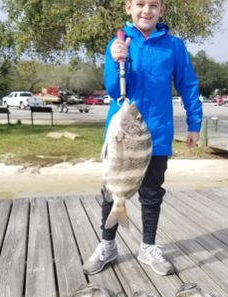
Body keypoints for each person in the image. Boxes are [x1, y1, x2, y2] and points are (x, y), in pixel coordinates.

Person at [82, 0, 202, 276]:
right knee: (112, 192)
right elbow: (113, 89)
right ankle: (107, 244)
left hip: (157, 134)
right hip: (123, 135)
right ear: (128, 8)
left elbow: (189, 84)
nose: (146, 10)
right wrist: (115, 59)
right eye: (140, 4)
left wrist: (194, 123)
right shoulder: (119, 42)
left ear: (161, 11)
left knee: (152, 194)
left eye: (153, 5)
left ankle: (148, 246)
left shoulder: (174, 46)